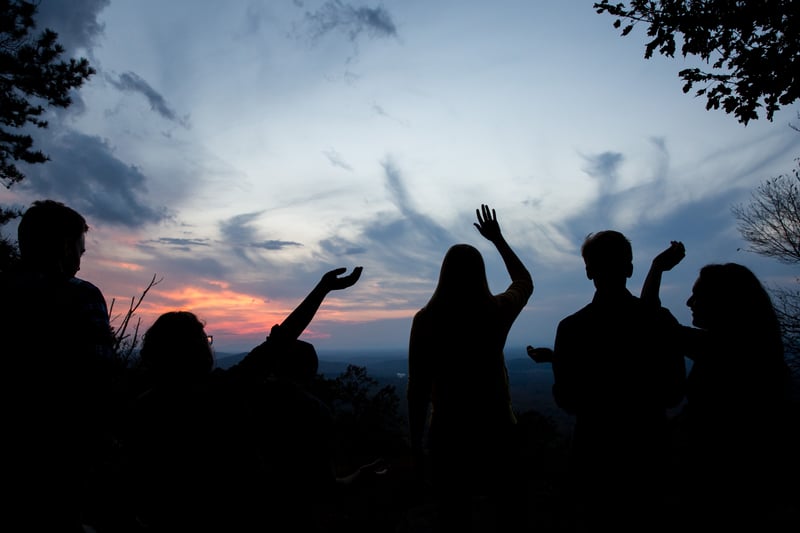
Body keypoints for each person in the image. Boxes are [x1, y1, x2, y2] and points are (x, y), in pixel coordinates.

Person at [126, 266, 385, 532]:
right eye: (207, 341)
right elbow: (281, 342)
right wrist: (322, 289)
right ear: (196, 352)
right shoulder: (222, 391)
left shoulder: (140, 410)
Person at [643, 243, 795, 530]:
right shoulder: (755, 352)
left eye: (698, 295)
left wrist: (657, 268)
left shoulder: (723, 350)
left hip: (720, 494)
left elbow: (651, 320)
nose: (689, 302)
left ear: (724, 302)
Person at [407, 204, 534, 532]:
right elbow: (524, 281)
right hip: (497, 427)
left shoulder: (427, 320)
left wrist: (414, 442)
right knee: (504, 513)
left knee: (454, 516)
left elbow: (418, 389)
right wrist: (498, 240)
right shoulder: (496, 311)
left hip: (448, 432)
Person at [550, 230, 686, 533]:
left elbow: (567, 400)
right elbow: (675, 392)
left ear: (588, 272)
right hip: (650, 456)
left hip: (594, 459)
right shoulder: (660, 322)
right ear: (629, 269)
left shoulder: (572, 329)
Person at [0, 199, 122, 532]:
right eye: (80, 253)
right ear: (66, 246)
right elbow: (99, 377)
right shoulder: (79, 296)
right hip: (61, 454)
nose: (79, 265)